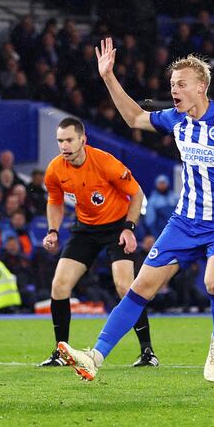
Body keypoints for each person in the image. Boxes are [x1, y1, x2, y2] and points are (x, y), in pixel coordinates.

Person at [57, 38, 214, 383]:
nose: (174, 89)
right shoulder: (175, 119)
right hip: (183, 223)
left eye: (181, 84)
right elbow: (133, 117)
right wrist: (108, 77)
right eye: (172, 84)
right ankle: (94, 356)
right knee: (140, 287)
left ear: (201, 87)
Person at [39, 117, 155, 368]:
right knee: (59, 286)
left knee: (126, 287)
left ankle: (147, 352)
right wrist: (53, 231)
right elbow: (55, 201)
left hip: (116, 226)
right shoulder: (55, 169)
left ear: (83, 139)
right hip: (85, 229)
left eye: (69, 140)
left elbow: (136, 194)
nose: (64, 146)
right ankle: (61, 352)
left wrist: (129, 229)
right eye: (60, 141)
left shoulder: (104, 162)